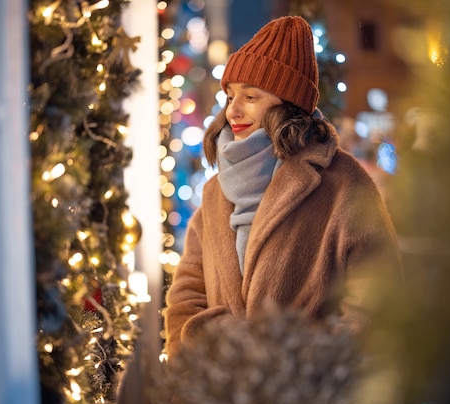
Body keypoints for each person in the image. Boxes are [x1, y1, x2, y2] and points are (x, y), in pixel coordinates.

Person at [164, 15, 403, 359]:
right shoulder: (217, 190)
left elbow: (379, 299)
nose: (233, 110)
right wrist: (195, 357)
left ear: (286, 103)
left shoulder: (341, 181)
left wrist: (304, 366)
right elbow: (188, 291)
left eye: (251, 96)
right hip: (222, 397)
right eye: (230, 96)